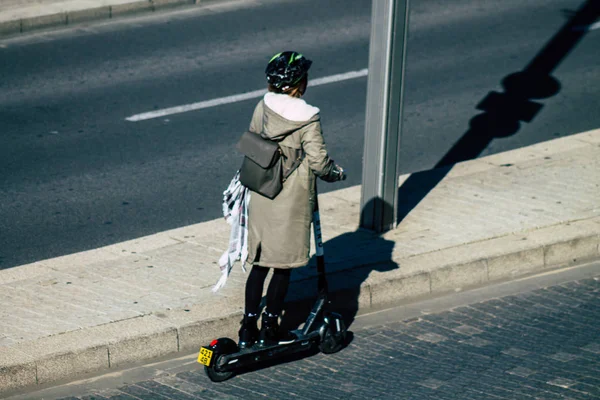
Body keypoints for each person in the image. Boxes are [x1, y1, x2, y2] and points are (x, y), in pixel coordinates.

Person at [239, 51, 346, 348]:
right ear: (300, 82)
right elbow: (319, 161)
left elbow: (253, 137)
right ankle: (270, 326)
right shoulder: (307, 116)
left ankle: (247, 326)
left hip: (262, 190)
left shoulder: (263, 104)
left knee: (260, 262)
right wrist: (336, 173)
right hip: (290, 196)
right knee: (282, 265)